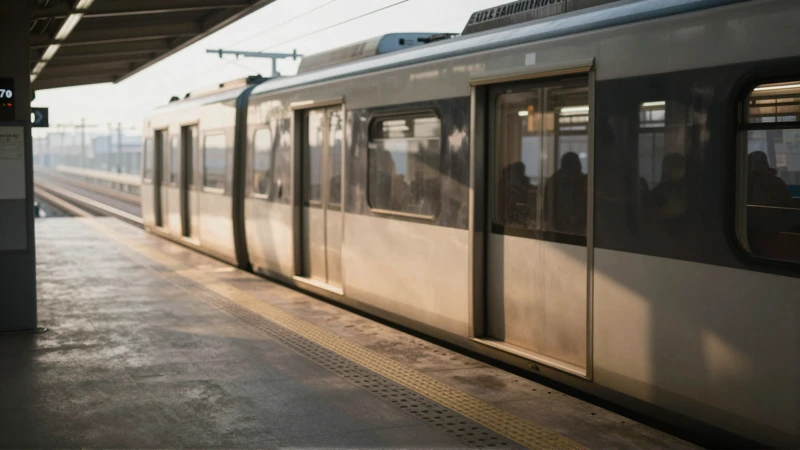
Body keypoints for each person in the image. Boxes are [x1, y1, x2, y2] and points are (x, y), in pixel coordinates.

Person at [746, 151, 792, 257]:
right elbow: (789, 209)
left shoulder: (744, 183)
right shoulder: (778, 183)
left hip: (754, 234)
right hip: (777, 235)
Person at [543, 152, 587, 235]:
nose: (580, 166)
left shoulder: (555, 179)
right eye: (577, 163)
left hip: (563, 227)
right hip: (566, 228)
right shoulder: (562, 182)